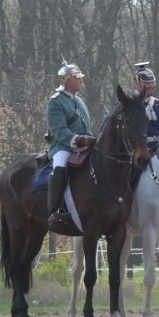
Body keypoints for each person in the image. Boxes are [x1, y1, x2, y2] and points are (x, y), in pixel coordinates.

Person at [45, 61, 94, 230]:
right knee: (60, 166)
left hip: (84, 147)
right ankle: (55, 211)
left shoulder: (79, 101)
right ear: (66, 80)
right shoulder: (56, 102)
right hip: (63, 147)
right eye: (77, 77)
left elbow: (86, 127)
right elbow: (59, 132)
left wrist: (88, 140)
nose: (81, 80)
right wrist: (79, 140)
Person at [133, 62, 159, 154]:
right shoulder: (126, 104)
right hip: (133, 151)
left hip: (156, 150)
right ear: (136, 83)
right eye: (147, 83)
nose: (151, 86)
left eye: (152, 82)